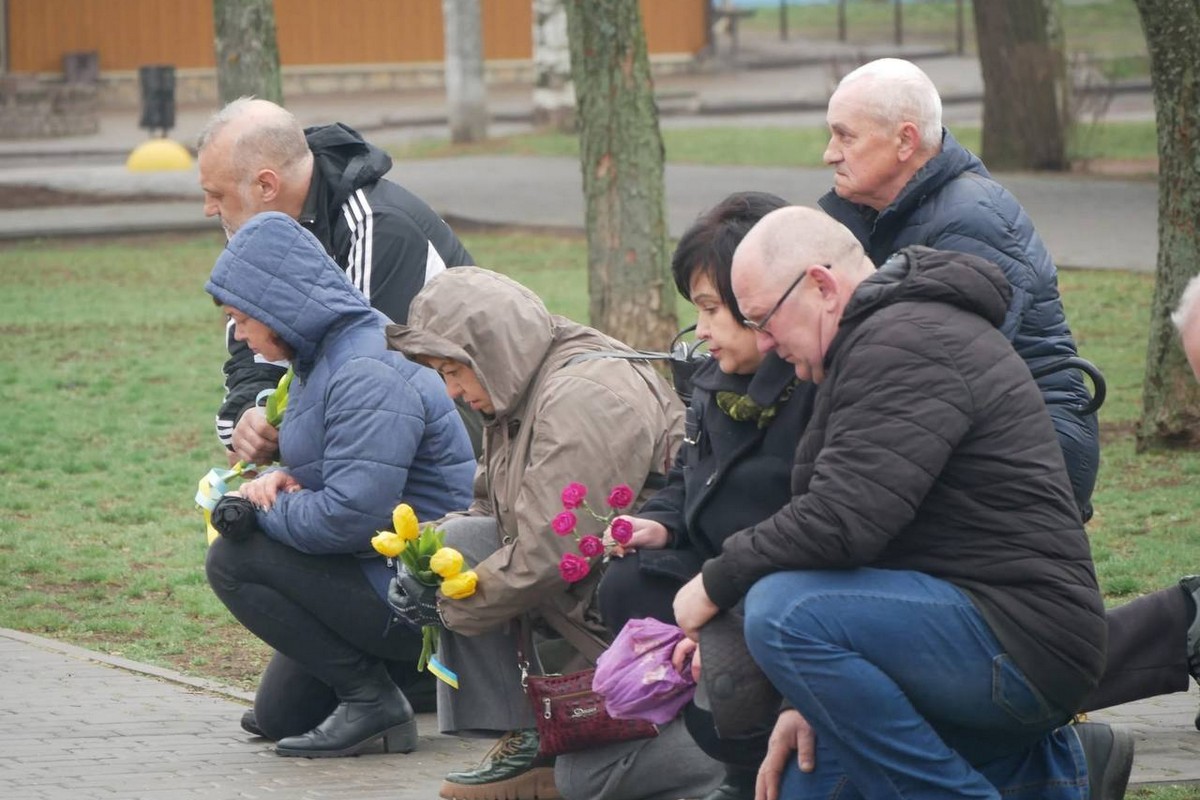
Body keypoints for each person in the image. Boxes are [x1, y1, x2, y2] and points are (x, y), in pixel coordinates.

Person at [673, 206, 1132, 800]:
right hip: (963, 632)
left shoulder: (907, 343)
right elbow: (859, 542)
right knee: (802, 785)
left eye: (764, 320)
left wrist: (714, 583)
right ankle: (1057, 776)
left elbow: (840, 523)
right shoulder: (870, 346)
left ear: (820, 285)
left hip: (1018, 644)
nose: (763, 340)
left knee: (782, 611)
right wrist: (804, 700)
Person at [385, 267, 685, 800]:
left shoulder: (583, 396)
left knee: (461, 573)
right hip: (585, 590)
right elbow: (490, 507)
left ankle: (557, 740)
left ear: (492, 350)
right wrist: (421, 553)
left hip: (637, 604)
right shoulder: (517, 386)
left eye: (454, 371)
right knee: (449, 553)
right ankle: (528, 735)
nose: (452, 390)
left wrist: (451, 603)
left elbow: (556, 550)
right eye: (442, 374)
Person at [556, 191, 810, 800]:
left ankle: (736, 750)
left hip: (777, 575)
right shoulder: (713, 383)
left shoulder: (812, 386)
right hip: (715, 567)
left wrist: (720, 590)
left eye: (714, 309)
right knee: (628, 580)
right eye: (697, 309)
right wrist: (660, 525)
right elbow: (685, 478)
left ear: (761, 301)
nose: (702, 331)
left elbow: (815, 521)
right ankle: (694, 729)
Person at [203, 212, 476, 757]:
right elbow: (341, 470)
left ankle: (373, 701)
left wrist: (258, 510)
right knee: (280, 717)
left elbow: (350, 516)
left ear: (275, 306)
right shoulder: (323, 355)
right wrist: (282, 476)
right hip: (376, 570)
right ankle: (403, 685)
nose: (243, 336)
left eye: (242, 319)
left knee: (234, 558)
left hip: (418, 597)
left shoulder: (365, 370)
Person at [816, 57, 1099, 522]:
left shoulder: (972, 217)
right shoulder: (879, 214)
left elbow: (944, 371)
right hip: (981, 425)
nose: (830, 153)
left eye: (846, 136)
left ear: (905, 140)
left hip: (1037, 444)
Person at [196, 97, 478, 466]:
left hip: (461, 416)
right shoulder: (257, 227)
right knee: (244, 453)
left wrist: (284, 432)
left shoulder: (377, 224)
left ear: (266, 185)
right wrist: (251, 412)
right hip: (377, 411)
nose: (209, 209)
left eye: (217, 194)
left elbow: (365, 372)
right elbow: (252, 346)